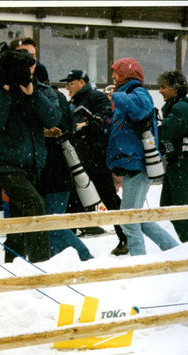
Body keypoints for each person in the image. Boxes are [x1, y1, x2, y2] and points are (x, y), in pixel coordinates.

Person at [0, 47, 61, 266]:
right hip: (7, 165)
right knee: (34, 206)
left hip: (33, 165)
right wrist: (6, 91)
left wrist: (32, 94)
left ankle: (13, 267)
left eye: (30, 62)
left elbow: (53, 118)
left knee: (19, 222)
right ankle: (42, 266)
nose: (26, 68)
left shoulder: (41, 90)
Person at [106, 57, 179, 256]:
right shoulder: (128, 94)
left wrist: (115, 96)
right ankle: (175, 251)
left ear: (126, 74)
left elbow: (138, 110)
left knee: (129, 219)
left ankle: (139, 262)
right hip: (133, 165)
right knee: (137, 217)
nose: (113, 77)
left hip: (139, 165)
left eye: (116, 73)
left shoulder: (138, 93)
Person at [61, 69, 130, 253]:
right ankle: (69, 246)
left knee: (109, 199)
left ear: (82, 82)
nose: (68, 87)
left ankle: (127, 237)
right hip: (79, 159)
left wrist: (90, 123)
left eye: (71, 83)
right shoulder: (72, 103)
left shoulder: (94, 96)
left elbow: (105, 116)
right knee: (73, 202)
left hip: (95, 159)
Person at [36, 67, 93, 262]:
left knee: (54, 224)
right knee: (52, 226)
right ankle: (56, 265)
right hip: (54, 173)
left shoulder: (51, 100)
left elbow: (59, 132)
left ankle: (87, 258)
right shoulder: (57, 98)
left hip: (54, 174)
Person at [156, 69, 188, 242]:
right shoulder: (177, 106)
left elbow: (168, 132)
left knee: (180, 211)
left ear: (175, 89)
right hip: (178, 163)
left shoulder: (181, 107)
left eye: (163, 87)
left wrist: (155, 127)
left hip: (183, 163)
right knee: (170, 208)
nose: (160, 91)